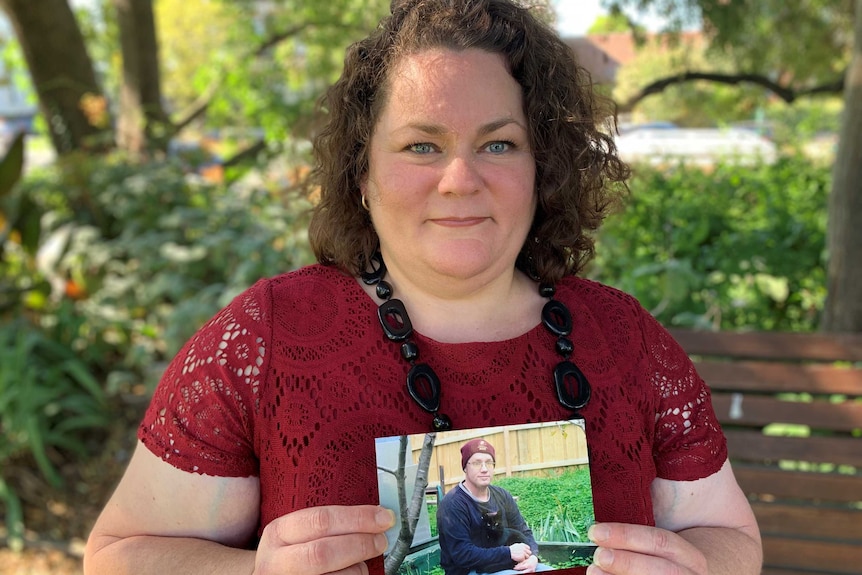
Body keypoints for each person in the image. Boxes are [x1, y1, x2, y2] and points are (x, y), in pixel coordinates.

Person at [84, 1, 763, 574]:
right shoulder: (262, 340)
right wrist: (250, 571)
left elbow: (731, 538)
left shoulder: (624, 338)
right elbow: (116, 554)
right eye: (421, 146)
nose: (460, 178)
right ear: (362, 172)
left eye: (499, 143)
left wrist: (698, 566)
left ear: (543, 165)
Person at [437, 439, 553, 574]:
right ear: (465, 468)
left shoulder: (502, 495)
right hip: (471, 571)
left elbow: (524, 531)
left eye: (489, 463)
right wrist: (508, 552)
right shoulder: (453, 503)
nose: (484, 469)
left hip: (506, 564)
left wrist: (533, 557)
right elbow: (462, 554)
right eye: (476, 463)